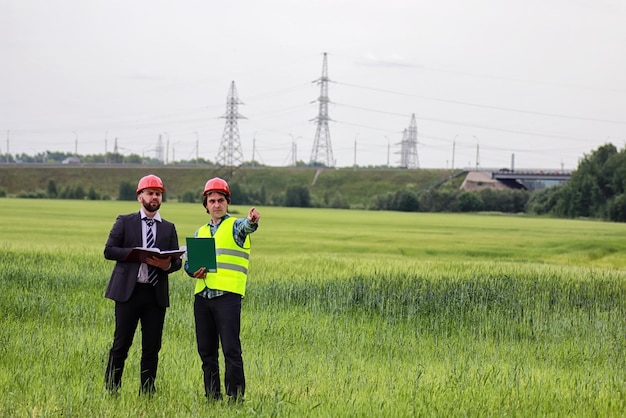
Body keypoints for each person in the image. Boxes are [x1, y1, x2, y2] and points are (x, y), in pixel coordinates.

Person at [103, 174, 182, 395]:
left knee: (152, 347)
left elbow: (176, 262)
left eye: (158, 194)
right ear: (140, 197)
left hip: (155, 294)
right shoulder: (124, 221)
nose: (154, 197)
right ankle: (112, 389)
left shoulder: (168, 227)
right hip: (128, 293)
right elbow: (109, 250)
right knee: (121, 345)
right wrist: (135, 254)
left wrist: (166, 265)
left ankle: (147, 391)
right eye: (150, 193)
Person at [185, 177, 260, 402]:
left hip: (227, 297)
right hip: (203, 297)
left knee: (231, 349)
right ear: (205, 205)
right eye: (212, 201)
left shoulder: (235, 226)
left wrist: (251, 220)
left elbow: (247, 227)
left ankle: (235, 397)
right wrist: (192, 271)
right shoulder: (200, 232)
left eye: (220, 200)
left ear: (227, 203)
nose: (216, 204)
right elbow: (189, 263)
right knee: (206, 352)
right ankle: (212, 396)